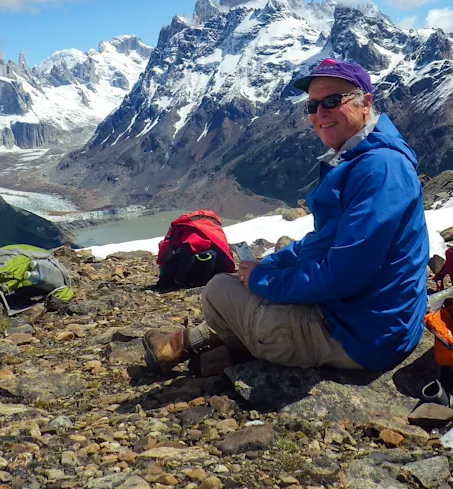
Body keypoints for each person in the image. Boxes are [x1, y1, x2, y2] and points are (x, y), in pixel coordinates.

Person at [143, 58, 429, 374]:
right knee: (244, 286)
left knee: (218, 290)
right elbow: (326, 241)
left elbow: (344, 275)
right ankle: (204, 347)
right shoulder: (364, 158)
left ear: (366, 103)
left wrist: (264, 280)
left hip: (360, 336)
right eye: (312, 106)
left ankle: (210, 346)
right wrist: (271, 264)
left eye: (332, 101)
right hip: (369, 320)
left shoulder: (380, 169)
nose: (320, 113)